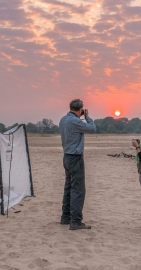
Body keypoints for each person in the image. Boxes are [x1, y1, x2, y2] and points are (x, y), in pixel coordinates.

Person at [59, 98, 96, 230]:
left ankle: (65, 217)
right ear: (80, 109)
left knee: (68, 187)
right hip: (75, 157)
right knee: (78, 189)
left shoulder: (63, 120)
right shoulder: (75, 121)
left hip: (66, 156)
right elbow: (92, 128)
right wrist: (87, 117)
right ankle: (76, 221)